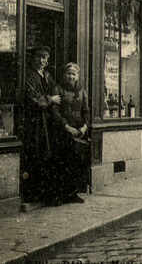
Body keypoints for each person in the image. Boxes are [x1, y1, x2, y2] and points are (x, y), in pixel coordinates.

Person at [22, 45, 60, 205]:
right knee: (36, 153)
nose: (41, 60)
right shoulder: (29, 76)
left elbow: (56, 92)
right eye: (39, 56)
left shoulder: (47, 76)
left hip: (47, 121)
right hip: (35, 122)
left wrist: (52, 98)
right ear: (33, 58)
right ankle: (33, 194)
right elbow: (34, 99)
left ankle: (46, 193)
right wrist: (50, 99)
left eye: (44, 57)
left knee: (47, 154)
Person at [48, 62, 90, 204]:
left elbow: (86, 111)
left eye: (73, 74)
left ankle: (72, 193)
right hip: (62, 131)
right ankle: (59, 195)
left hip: (78, 132)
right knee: (61, 163)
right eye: (68, 73)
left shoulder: (82, 91)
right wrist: (66, 126)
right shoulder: (58, 89)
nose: (71, 76)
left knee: (75, 163)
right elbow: (55, 111)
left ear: (77, 76)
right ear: (64, 75)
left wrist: (84, 126)